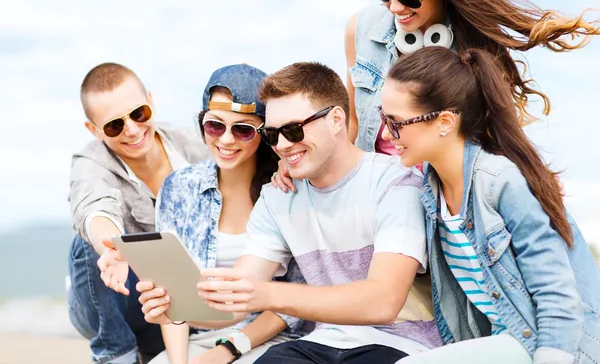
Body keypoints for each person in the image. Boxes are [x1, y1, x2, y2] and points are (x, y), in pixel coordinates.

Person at [137, 62, 444, 363]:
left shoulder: (393, 181)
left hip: (400, 345)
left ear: (337, 119)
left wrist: (267, 295)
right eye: (272, 135)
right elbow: (237, 297)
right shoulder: (277, 197)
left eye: (293, 130)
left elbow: (383, 302)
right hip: (319, 343)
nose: (282, 145)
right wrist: (178, 308)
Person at [378, 46, 600, 363]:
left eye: (397, 122)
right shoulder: (430, 190)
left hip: (554, 346)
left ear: (443, 122)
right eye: (383, 117)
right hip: (503, 342)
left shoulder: (501, 182)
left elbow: (557, 292)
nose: (387, 133)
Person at [346, 0, 600, 154]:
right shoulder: (361, 28)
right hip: (375, 198)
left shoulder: (473, 49)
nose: (394, 7)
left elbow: (494, 137)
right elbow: (352, 125)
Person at [147, 64, 311, 364]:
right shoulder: (179, 188)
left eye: (243, 129)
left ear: (263, 133)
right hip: (200, 337)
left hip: (274, 339)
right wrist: (179, 361)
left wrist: (227, 351)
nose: (225, 140)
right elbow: (172, 295)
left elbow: (299, 294)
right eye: (214, 125)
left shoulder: (287, 190)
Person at [67, 63, 209, 364]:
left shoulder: (195, 146)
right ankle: (116, 355)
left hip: (175, 302)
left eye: (138, 113)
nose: (132, 129)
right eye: (114, 126)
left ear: (151, 101)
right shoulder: (90, 163)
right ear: (94, 130)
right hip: (118, 299)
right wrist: (113, 247)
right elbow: (94, 205)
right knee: (90, 246)